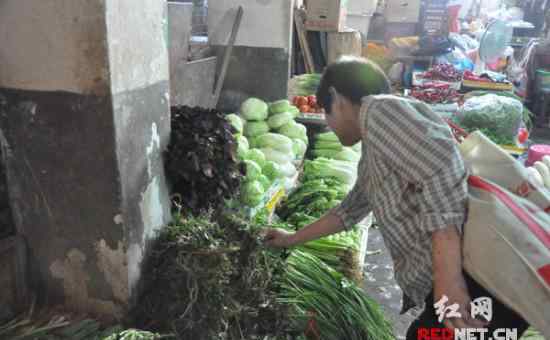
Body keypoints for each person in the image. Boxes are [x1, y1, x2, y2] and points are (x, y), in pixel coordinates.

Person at [264, 57, 529, 339]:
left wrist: (448, 278)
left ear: (336, 99)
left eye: (327, 114)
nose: (329, 124)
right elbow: (349, 211)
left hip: (472, 282)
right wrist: (290, 238)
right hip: (463, 282)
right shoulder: (376, 142)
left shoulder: (380, 113)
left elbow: (442, 169)